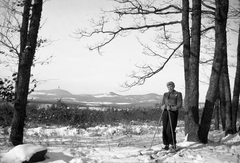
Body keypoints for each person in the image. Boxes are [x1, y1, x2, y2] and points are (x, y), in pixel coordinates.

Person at [160, 81, 182, 151]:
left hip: (173, 113)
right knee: (164, 129)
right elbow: (162, 103)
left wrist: (172, 108)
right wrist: (162, 107)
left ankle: (173, 144)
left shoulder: (178, 94)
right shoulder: (165, 94)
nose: (170, 88)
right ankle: (166, 144)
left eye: (171, 86)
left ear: (173, 86)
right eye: (168, 87)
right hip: (165, 112)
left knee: (170, 129)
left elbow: (179, 105)